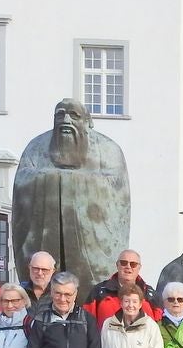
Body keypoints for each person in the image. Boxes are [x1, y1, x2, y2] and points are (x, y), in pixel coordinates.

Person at [12, 98, 131, 290]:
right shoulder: (36, 148)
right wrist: (55, 181)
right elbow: (23, 182)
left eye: (74, 115)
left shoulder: (108, 150)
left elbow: (117, 192)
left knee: (91, 289)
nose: (66, 120)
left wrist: (65, 181)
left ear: (87, 122)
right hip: (46, 233)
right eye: (60, 115)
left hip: (92, 247)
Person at [83, 248, 159, 327]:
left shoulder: (151, 295)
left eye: (133, 264)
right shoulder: (98, 291)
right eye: (123, 263)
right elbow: (86, 323)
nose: (128, 267)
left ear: (139, 268)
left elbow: (159, 328)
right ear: (117, 265)